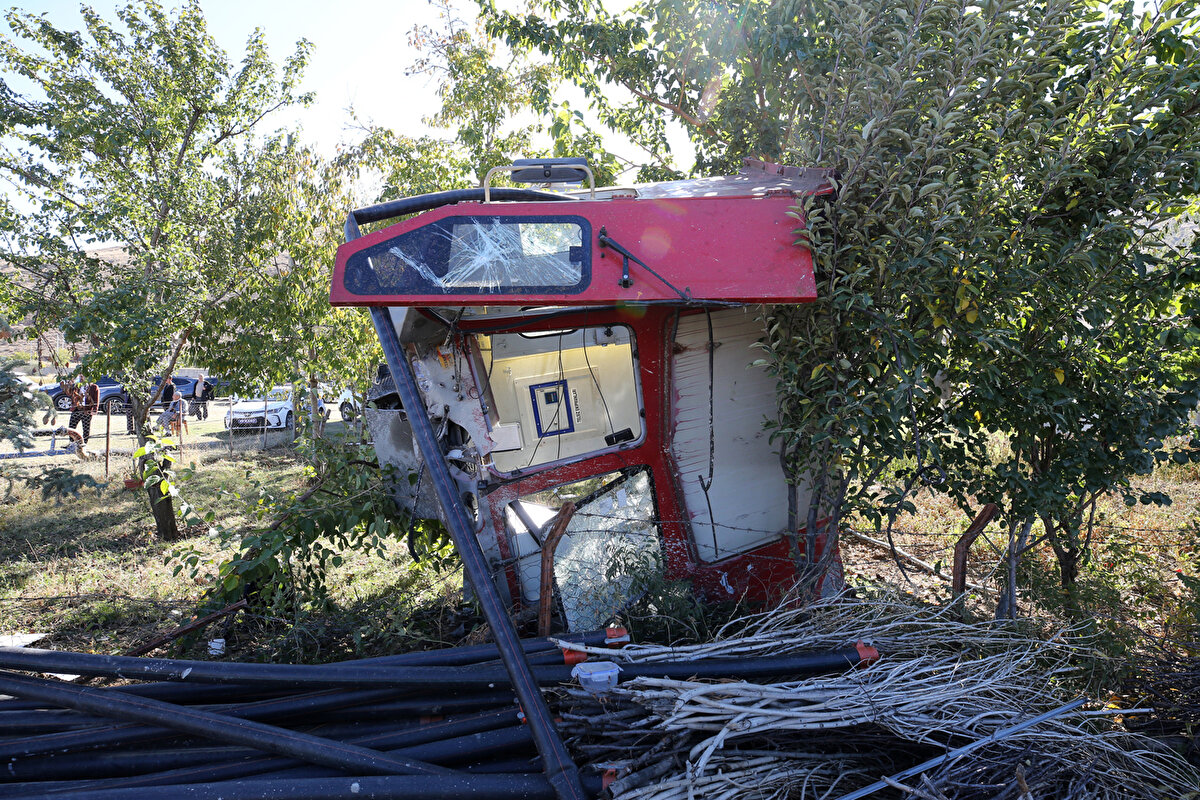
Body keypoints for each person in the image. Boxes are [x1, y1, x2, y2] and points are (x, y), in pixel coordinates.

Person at [67, 379, 99, 446]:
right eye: (80, 375)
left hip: (87, 410)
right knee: (71, 426)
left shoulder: (93, 387)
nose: (81, 377)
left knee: (86, 428)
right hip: (77, 409)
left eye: (83, 375)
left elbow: (96, 399)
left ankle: (84, 443)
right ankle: (71, 443)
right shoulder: (77, 385)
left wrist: (94, 410)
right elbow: (70, 394)